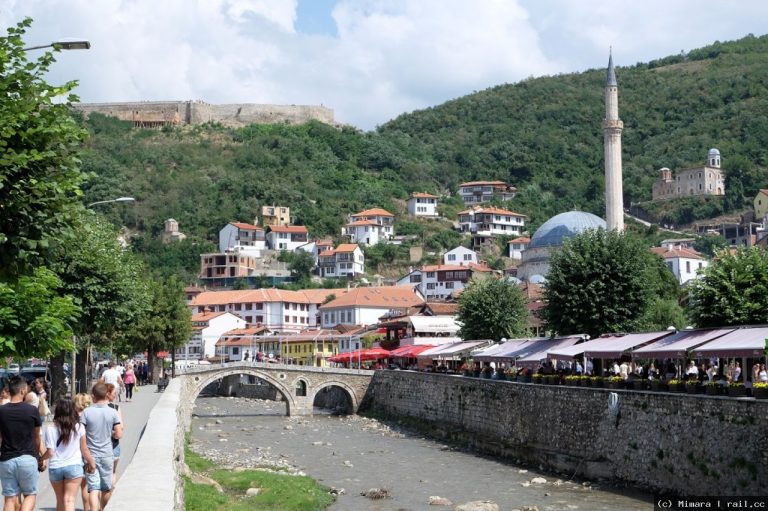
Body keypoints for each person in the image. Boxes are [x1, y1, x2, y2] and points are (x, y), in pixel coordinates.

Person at [42, 399, 95, 511]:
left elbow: (50, 452)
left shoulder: (50, 429)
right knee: (69, 499)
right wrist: (91, 463)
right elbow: (84, 449)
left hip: (56, 467)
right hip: (74, 466)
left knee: (60, 499)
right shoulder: (79, 427)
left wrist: (41, 459)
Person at [0, 376, 43, 511]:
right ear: (23, 390)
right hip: (27, 458)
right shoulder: (31, 410)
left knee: (9, 498)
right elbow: (37, 437)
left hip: (6, 459)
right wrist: (38, 456)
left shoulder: (1, 411)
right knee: (30, 495)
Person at [81, 382, 122, 511]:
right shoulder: (113, 412)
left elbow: (81, 434)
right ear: (106, 395)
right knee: (106, 488)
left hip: (91, 455)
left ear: (93, 396)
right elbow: (119, 434)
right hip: (107, 454)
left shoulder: (86, 412)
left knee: (93, 488)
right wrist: (110, 433)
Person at [73, 393, 93, 511]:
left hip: (76, 452)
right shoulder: (90, 415)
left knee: (79, 485)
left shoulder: (73, 417)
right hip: (89, 450)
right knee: (88, 485)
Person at [105, 384, 124, 489]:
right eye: (114, 393)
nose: (115, 395)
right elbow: (121, 427)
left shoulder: (91, 409)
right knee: (112, 471)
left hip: (96, 447)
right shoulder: (115, 408)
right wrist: (113, 434)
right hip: (113, 444)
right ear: (107, 394)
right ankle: (110, 494)